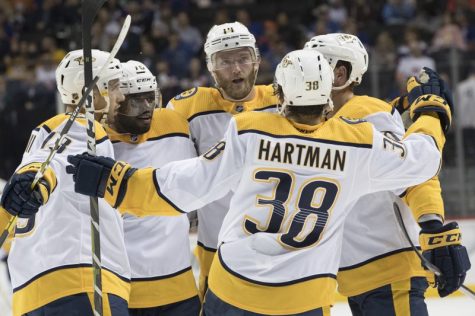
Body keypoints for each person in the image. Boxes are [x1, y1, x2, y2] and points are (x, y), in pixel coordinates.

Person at [67, 49, 449, 315]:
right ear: (328, 99)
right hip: (308, 292)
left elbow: (190, 183)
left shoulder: (251, 130)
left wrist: (116, 182)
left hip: (237, 285)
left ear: (279, 93)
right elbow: (424, 157)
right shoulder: (358, 142)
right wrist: (431, 111)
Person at [304, 33, 471, 315]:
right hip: (355, 277)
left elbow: (414, 172)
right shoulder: (321, 120)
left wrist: (432, 225)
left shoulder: (367, 112)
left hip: (387, 273)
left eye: (313, 66)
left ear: (339, 73)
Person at [0, 49, 131, 316]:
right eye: (115, 86)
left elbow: (42, 164)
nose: (122, 97)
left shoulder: (46, 133)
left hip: (30, 295)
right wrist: (39, 181)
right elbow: (53, 165)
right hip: (81, 284)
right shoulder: (86, 129)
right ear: (92, 93)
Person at [166, 21, 278, 297]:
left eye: (243, 59)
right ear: (210, 67)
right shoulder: (187, 108)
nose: (236, 69)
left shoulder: (282, 100)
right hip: (216, 250)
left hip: (277, 248)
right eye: (225, 61)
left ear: (257, 61)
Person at [107, 60, 200, 315]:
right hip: (121, 290)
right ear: (116, 101)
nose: (147, 108)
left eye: (150, 98)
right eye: (136, 101)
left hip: (180, 287)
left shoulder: (176, 123)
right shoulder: (98, 143)